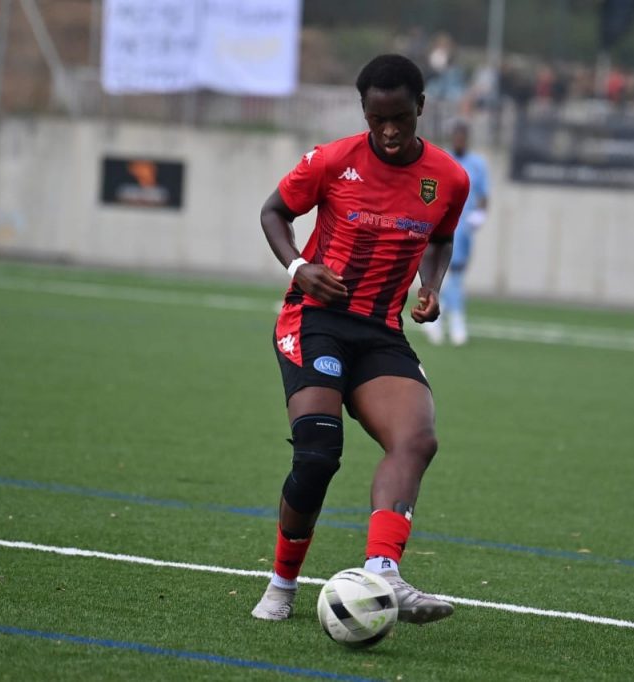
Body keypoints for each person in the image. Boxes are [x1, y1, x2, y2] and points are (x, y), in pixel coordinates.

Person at [251, 54, 470, 625]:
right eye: (378, 120)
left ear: (421, 107)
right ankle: (282, 583)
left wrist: (431, 285)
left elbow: (441, 238)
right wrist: (299, 267)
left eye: (401, 118)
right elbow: (273, 212)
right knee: (318, 454)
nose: (390, 131)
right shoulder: (331, 161)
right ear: (364, 113)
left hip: (380, 331)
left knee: (417, 440)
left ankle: (383, 572)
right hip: (315, 319)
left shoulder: (449, 178)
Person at [424, 120, 489, 346]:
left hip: (463, 229)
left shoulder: (477, 164)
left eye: (463, 137)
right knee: (439, 274)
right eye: (456, 136)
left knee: (457, 274)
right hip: (442, 225)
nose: (459, 140)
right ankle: (446, 320)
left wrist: (479, 216)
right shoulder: (442, 160)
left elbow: (483, 196)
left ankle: (446, 318)